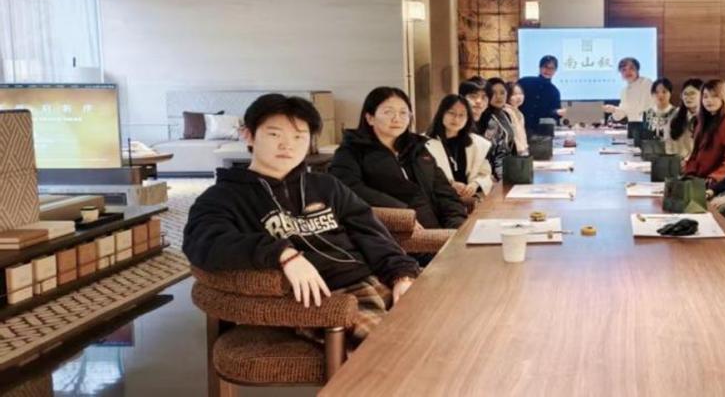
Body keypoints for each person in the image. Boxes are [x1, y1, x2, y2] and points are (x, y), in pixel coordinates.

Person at [182, 94, 420, 343]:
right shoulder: (224, 196)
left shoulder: (326, 185)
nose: (288, 145)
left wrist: (402, 275)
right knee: (395, 350)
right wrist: (283, 254)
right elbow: (203, 242)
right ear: (248, 135)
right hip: (324, 296)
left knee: (441, 321)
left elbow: (370, 231)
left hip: (377, 279)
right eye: (274, 134)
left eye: (299, 137)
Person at [330, 87, 467, 229]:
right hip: (396, 232)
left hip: (438, 229)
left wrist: (457, 224)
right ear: (370, 118)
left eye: (403, 113)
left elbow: (444, 191)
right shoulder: (351, 151)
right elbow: (348, 189)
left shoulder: (417, 148)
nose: (397, 119)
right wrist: (402, 215)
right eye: (388, 112)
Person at [424, 94, 494, 198]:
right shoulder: (424, 143)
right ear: (441, 114)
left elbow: (485, 174)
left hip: (471, 199)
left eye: (462, 115)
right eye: (451, 113)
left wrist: (475, 184)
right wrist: (450, 185)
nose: (456, 119)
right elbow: (424, 178)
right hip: (440, 200)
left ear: (468, 118)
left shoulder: (478, 143)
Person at [682, 79, 725, 184]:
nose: (709, 100)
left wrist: (715, 178)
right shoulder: (702, 122)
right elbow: (695, 153)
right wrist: (690, 173)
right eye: (705, 96)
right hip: (698, 180)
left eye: (714, 96)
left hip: (718, 183)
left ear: (723, 97)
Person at [603, 57, 654, 139]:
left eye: (631, 68)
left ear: (637, 70)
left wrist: (620, 110)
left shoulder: (646, 82)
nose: (627, 72)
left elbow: (643, 109)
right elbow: (621, 114)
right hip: (632, 126)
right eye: (623, 70)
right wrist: (613, 109)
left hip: (646, 126)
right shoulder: (624, 91)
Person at [479, 77, 516, 180]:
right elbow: (489, 151)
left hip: (508, 167)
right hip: (492, 172)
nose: (498, 96)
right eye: (493, 93)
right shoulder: (485, 117)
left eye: (502, 93)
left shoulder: (505, 114)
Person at [517, 55, 563, 134]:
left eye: (551, 68)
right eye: (545, 67)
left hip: (540, 132)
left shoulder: (554, 92)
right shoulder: (525, 82)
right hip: (519, 126)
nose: (548, 70)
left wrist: (557, 113)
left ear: (555, 70)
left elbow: (554, 114)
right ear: (540, 67)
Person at [666, 77, 703, 158]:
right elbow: (668, 142)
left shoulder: (708, 117)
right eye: (685, 94)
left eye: (692, 93)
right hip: (676, 161)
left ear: (703, 95)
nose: (688, 97)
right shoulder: (675, 115)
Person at [642, 78, 678, 146]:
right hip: (651, 150)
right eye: (656, 92)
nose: (660, 95)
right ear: (652, 94)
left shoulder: (677, 113)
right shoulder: (646, 114)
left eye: (664, 92)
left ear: (670, 93)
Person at [504, 81, 531, 156]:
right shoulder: (507, 111)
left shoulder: (519, 113)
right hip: (513, 153)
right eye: (514, 94)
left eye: (521, 93)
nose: (519, 97)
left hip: (522, 151)